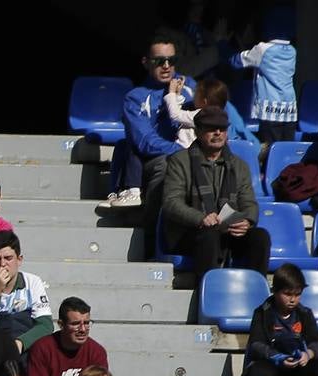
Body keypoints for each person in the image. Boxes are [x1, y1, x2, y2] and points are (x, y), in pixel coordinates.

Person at [161, 105, 270, 279]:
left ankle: (255, 290)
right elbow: (171, 202)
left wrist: (247, 221)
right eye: (211, 129)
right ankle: (208, 289)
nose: (218, 133)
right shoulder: (179, 161)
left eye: (222, 129)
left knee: (260, 237)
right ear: (197, 131)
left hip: (227, 232)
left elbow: (249, 202)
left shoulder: (239, 165)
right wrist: (200, 218)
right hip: (190, 232)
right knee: (210, 235)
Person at [107, 37, 192, 210]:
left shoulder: (191, 87)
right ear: (146, 63)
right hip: (156, 159)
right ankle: (152, 231)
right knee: (166, 166)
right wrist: (184, 150)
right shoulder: (135, 97)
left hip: (190, 154)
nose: (166, 66)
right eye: (159, 61)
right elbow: (145, 142)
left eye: (172, 60)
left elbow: (220, 114)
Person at [243, 264, 318, 376]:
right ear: (275, 291)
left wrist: (308, 354)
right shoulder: (262, 312)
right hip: (271, 363)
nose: (293, 299)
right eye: (287, 294)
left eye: (297, 294)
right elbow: (257, 344)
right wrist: (278, 357)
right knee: (257, 374)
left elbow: (316, 343)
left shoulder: (304, 313)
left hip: (300, 363)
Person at [0, 230, 52, 352]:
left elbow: (46, 325)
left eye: (8, 258)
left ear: (19, 260)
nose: (2, 264)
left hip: (23, 347)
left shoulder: (32, 282)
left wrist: (20, 343)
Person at [26, 297, 109, 376]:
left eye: (86, 323)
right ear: (61, 324)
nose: (82, 329)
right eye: (75, 324)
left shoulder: (97, 352)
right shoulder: (42, 348)